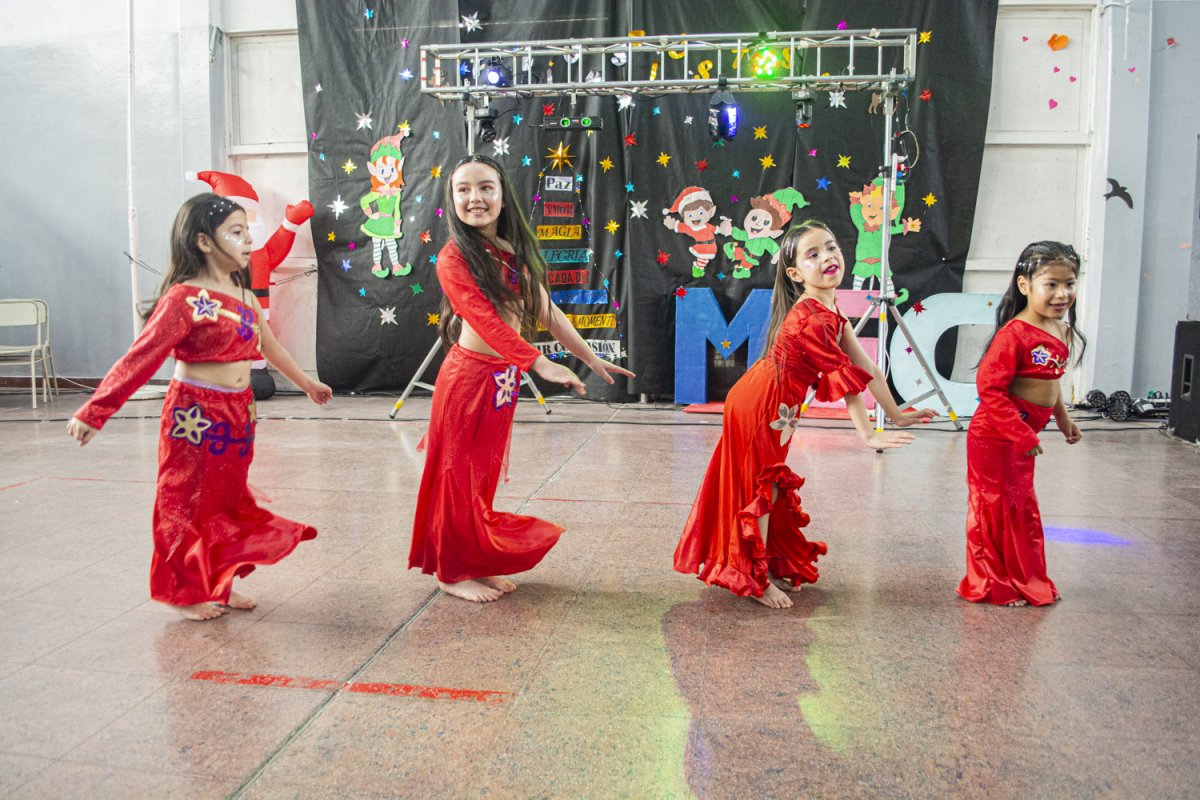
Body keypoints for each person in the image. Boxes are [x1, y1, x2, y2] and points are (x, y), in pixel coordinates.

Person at [67, 193, 332, 620]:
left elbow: (270, 346)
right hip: (194, 415)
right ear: (205, 242)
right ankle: (180, 590)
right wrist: (95, 411)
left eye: (247, 231)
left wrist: (306, 384)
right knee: (185, 501)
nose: (249, 240)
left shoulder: (244, 295)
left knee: (224, 501)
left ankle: (218, 581)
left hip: (239, 414)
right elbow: (141, 357)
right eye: (236, 232)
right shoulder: (184, 298)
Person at [674, 220, 936, 609]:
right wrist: (868, 434)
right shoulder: (814, 318)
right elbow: (845, 379)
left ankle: (760, 564)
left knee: (767, 484)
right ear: (796, 274)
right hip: (761, 405)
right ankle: (756, 577)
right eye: (813, 255)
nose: (828, 257)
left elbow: (867, 368)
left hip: (775, 405)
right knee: (763, 485)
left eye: (831, 247)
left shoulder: (830, 309)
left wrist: (896, 414)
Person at [409, 154, 634, 603]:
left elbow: (546, 309)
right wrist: (537, 362)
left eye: (485, 187)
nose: (475, 198)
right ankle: (450, 571)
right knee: (457, 475)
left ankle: (473, 559)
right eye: (463, 190)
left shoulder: (511, 249)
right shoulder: (453, 258)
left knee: (481, 478)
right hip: (468, 380)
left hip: (502, 380)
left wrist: (590, 357)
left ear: (502, 195)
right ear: (451, 199)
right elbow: (484, 320)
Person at [957, 241, 1084, 607]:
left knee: (1019, 507)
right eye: (1051, 284)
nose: (1062, 294)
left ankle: (1024, 577)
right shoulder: (1013, 335)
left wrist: (1062, 418)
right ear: (1025, 285)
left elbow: (1050, 381)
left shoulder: (1059, 329)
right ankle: (993, 582)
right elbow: (990, 390)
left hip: (1022, 437)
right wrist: (1020, 433)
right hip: (996, 437)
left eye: (1069, 284)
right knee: (993, 508)